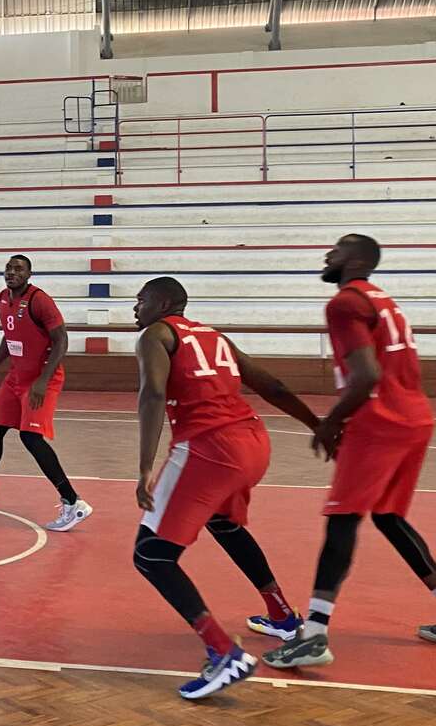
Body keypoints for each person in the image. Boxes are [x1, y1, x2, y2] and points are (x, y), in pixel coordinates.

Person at [266, 234, 436, 671]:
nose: (326, 254)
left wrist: (331, 423)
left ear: (356, 260)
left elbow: (366, 374)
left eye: (337, 249)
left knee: (343, 519)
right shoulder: (385, 301)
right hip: (415, 418)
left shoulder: (345, 303)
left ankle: (312, 635)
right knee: (388, 516)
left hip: (380, 421)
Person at [132, 277, 320, 700]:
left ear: (162, 303)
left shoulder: (155, 335)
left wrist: (145, 466)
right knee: (224, 524)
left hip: (209, 447)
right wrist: (317, 424)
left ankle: (222, 652)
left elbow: (153, 394)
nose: (135, 308)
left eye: (140, 300)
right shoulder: (215, 337)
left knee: (151, 554)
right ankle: (283, 616)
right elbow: (272, 385)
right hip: (253, 442)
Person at [0, 255, 93, 532]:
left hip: (42, 378)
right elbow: (9, 338)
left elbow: (61, 340)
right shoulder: (2, 299)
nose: (12, 272)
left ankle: (73, 502)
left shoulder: (39, 300)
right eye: (9, 268)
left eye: (18, 268)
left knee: (30, 437)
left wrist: (43, 380)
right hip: (15, 377)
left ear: (29, 274)